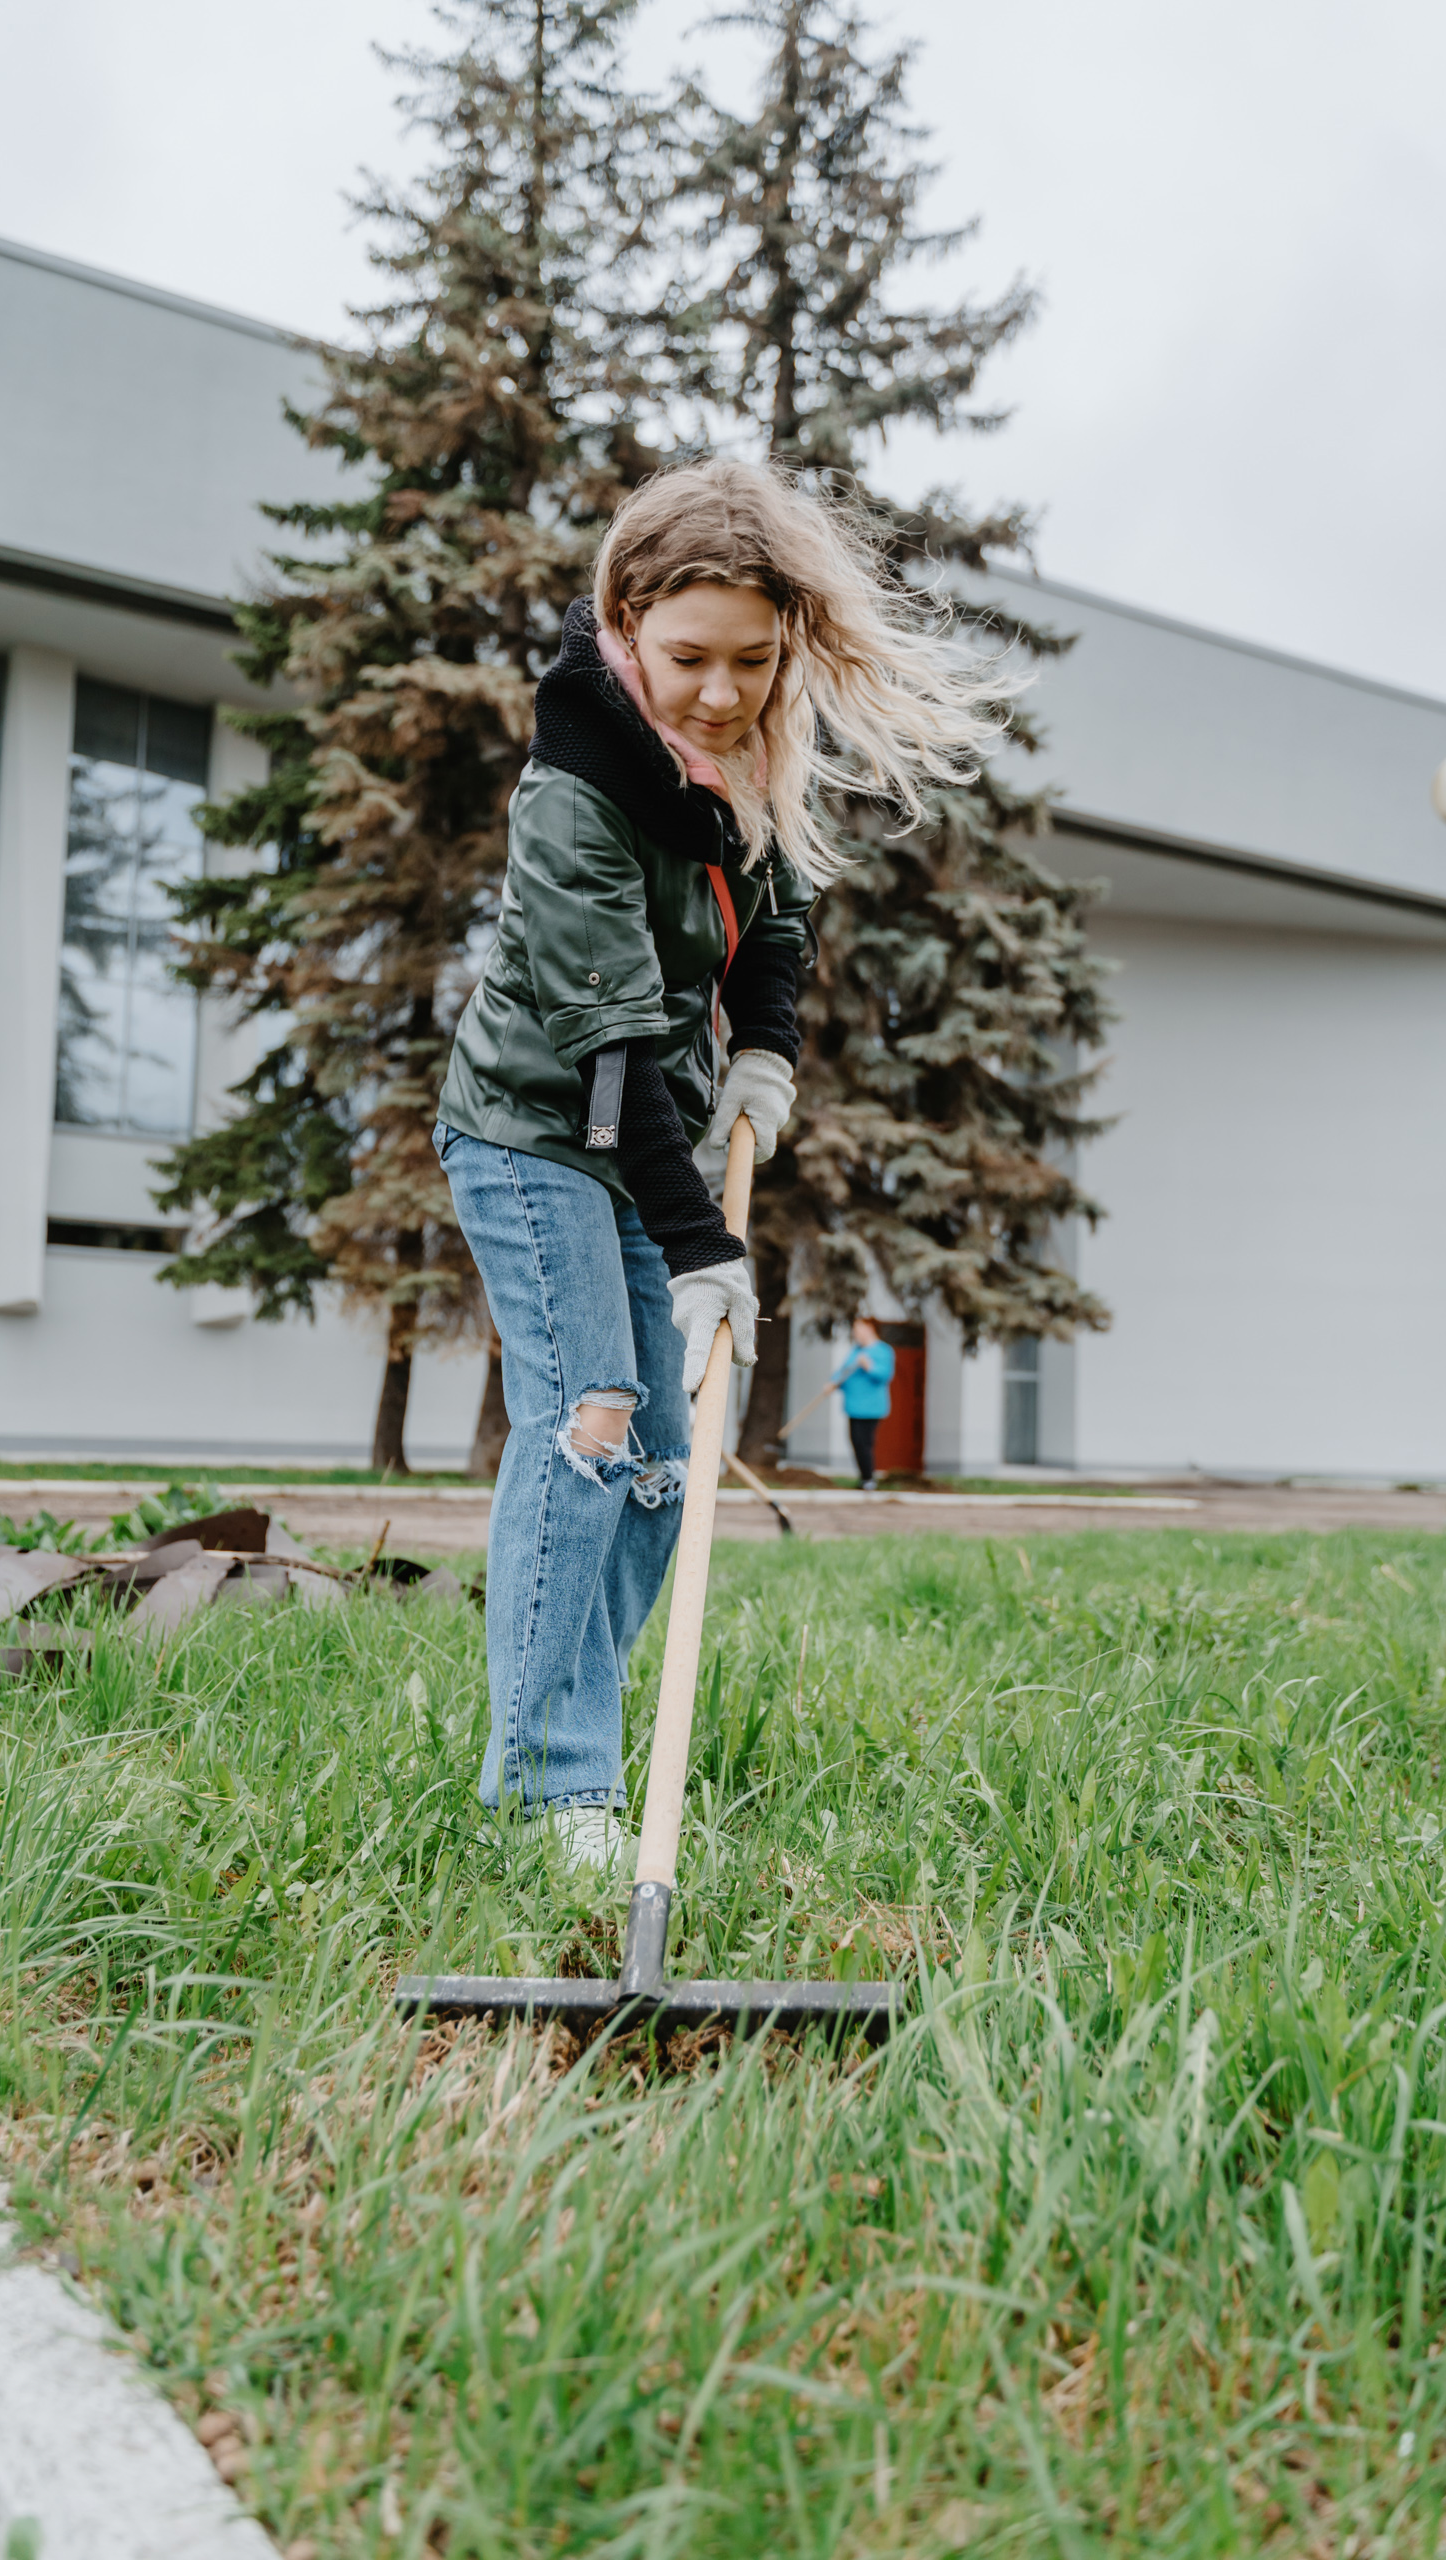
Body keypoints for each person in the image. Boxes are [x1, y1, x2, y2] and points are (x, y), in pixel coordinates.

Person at [433, 456, 1009, 1867]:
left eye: (752, 660)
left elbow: (776, 919)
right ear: (625, 619)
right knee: (592, 1418)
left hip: (651, 1137)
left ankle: (576, 1731)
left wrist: (764, 1053)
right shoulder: (576, 788)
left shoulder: (744, 756)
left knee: (665, 1463)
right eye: (690, 656)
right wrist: (704, 1247)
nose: (720, 690)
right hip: (534, 1128)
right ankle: (550, 1787)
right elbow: (612, 1047)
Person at [832, 1317, 897, 1491]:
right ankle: (864, 1478)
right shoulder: (856, 1350)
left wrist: (869, 1366)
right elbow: (844, 1371)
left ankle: (868, 1479)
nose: (855, 1333)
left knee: (864, 1443)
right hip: (853, 1405)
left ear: (870, 1328)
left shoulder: (883, 1350)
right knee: (855, 1441)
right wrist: (833, 1382)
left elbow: (885, 1375)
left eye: (858, 1329)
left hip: (871, 1407)